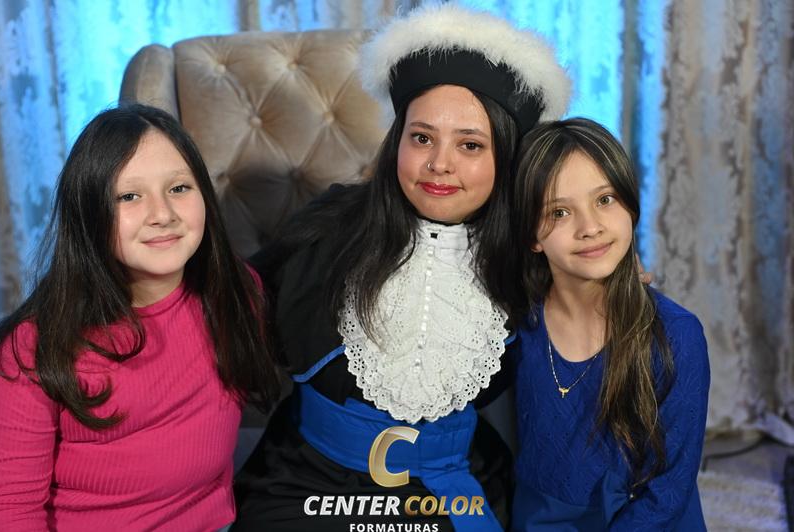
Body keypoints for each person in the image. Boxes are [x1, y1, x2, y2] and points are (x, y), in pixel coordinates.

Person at [232, 4, 569, 532]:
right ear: (397, 141)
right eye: (422, 137)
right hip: (309, 482)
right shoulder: (330, 226)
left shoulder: (530, 254)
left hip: (451, 483)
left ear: (505, 158)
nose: (440, 164)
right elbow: (233, 301)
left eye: (470, 145)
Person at [0, 103, 280, 531]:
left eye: (179, 188)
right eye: (129, 196)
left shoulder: (237, 294)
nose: (162, 214)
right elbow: (10, 509)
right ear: (90, 214)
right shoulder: (33, 350)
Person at [510, 118, 709, 531]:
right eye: (559, 212)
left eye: (605, 200)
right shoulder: (516, 326)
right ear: (532, 235)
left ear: (630, 206)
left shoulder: (676, 336)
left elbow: (668, 492)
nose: (591, 228)